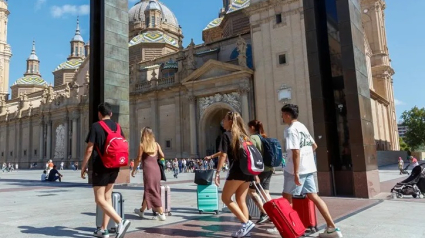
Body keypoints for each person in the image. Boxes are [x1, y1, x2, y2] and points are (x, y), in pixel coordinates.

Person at [267, 104, 343, 238]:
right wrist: (306, 158)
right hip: (308, 168)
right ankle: (332, 227)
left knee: (287, 197)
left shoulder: (290, 130)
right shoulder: (302, 126)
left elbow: (296, 151)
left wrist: (296, 171)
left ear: (288, 115)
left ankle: (289, 226)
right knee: (314, 196)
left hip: (295, 170)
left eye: (283, 114)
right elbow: (314, 145)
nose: (282, 117)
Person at [81, 102, 131, 238]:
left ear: (99, 114)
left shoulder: (96, 126)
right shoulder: (118, 127)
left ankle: (121, 221)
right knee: (107, 197)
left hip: (100, 166)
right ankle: (103, 229)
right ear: (111, 114)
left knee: (99, 199)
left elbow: (89, 148)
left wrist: (84, 165)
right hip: (115, 166)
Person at [205, 111, 255, 238]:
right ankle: (246, 229)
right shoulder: (244, 136)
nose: (223, 121)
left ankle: (246, 223)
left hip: (237, 170)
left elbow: (223, 154)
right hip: (248, 171)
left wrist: (217, 173)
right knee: (241, 199)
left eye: (225, 119)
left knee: (226, 198)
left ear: (230, 121)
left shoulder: (226, 135)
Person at [132, 127, 167, 221]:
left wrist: (134, 169)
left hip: (148, 170)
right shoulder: (156, 145)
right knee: (150, 189)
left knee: (151, 190)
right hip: (156, 170)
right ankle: (141, 211)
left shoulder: (142, 145)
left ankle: (161, 213)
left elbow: (138, 159)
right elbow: (162, 155)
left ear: (143, 135)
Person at [247, 119, 272, 224]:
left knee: (252, 191)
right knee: (265, 192)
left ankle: (264, 212)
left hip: (258, 169)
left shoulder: (252, 138)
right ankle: (273, 212)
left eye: (249, 127)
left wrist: (253, 173)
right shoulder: (264, 137)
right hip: (269, 168)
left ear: (252, 127)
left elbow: (250, 154)